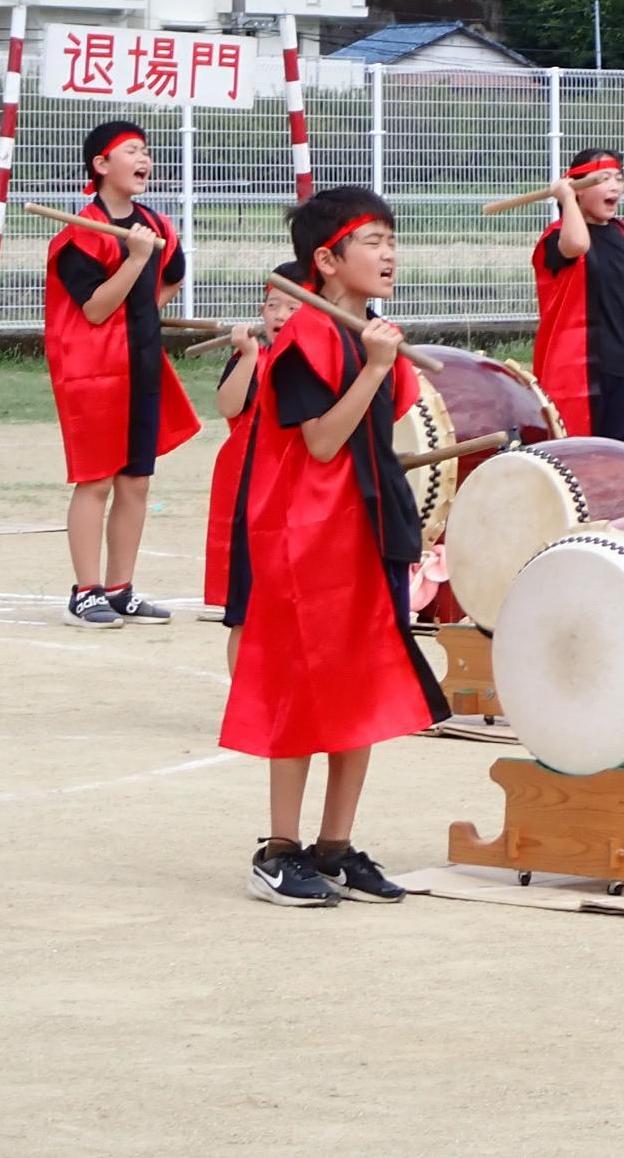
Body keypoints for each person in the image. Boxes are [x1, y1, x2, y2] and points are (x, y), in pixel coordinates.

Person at [219, 186, 450, 907]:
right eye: (372, 240)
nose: (390, 253)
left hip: (372, 525)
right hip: (306, 536)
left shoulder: (371, 330)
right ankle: (279, 848)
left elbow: (395, 414)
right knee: (299, 686)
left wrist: (381, 360)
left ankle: (335, 844)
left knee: (366, 682)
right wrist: (375, 368)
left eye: (391, 239)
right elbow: (320, 442)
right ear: (325, 259)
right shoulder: (303, 340)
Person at [44, 120, 200, 628]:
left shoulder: (158, 225)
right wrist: (134, 260)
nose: (144, 159)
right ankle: (85, 591)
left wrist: (148, 311)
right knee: (95, 481)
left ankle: (120, 588)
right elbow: (93, 309)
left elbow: (172, 277)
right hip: (94, 374)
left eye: (146, 151)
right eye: (131, 150)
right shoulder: (80, 233)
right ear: (100, 165)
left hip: (143, 366)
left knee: (135, 483)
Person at [206, 267, 299, 677]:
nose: (279, 314)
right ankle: (244, 698)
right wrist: (245, 356)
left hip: (298, 497)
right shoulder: (253, 359)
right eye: (272, 305)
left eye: (293, 306)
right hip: (251, 494)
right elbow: (227, 407)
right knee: (246, 607)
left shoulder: (319, 361)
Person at [532, 147, 624, 441]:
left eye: (618, 179)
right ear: (580, 189)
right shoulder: (556, 237)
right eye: (603, 178)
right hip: (575, 369)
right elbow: (577, 246)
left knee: (618, 459)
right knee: (577, 456)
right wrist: (567, 198)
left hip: (622, 364)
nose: (614, 186)